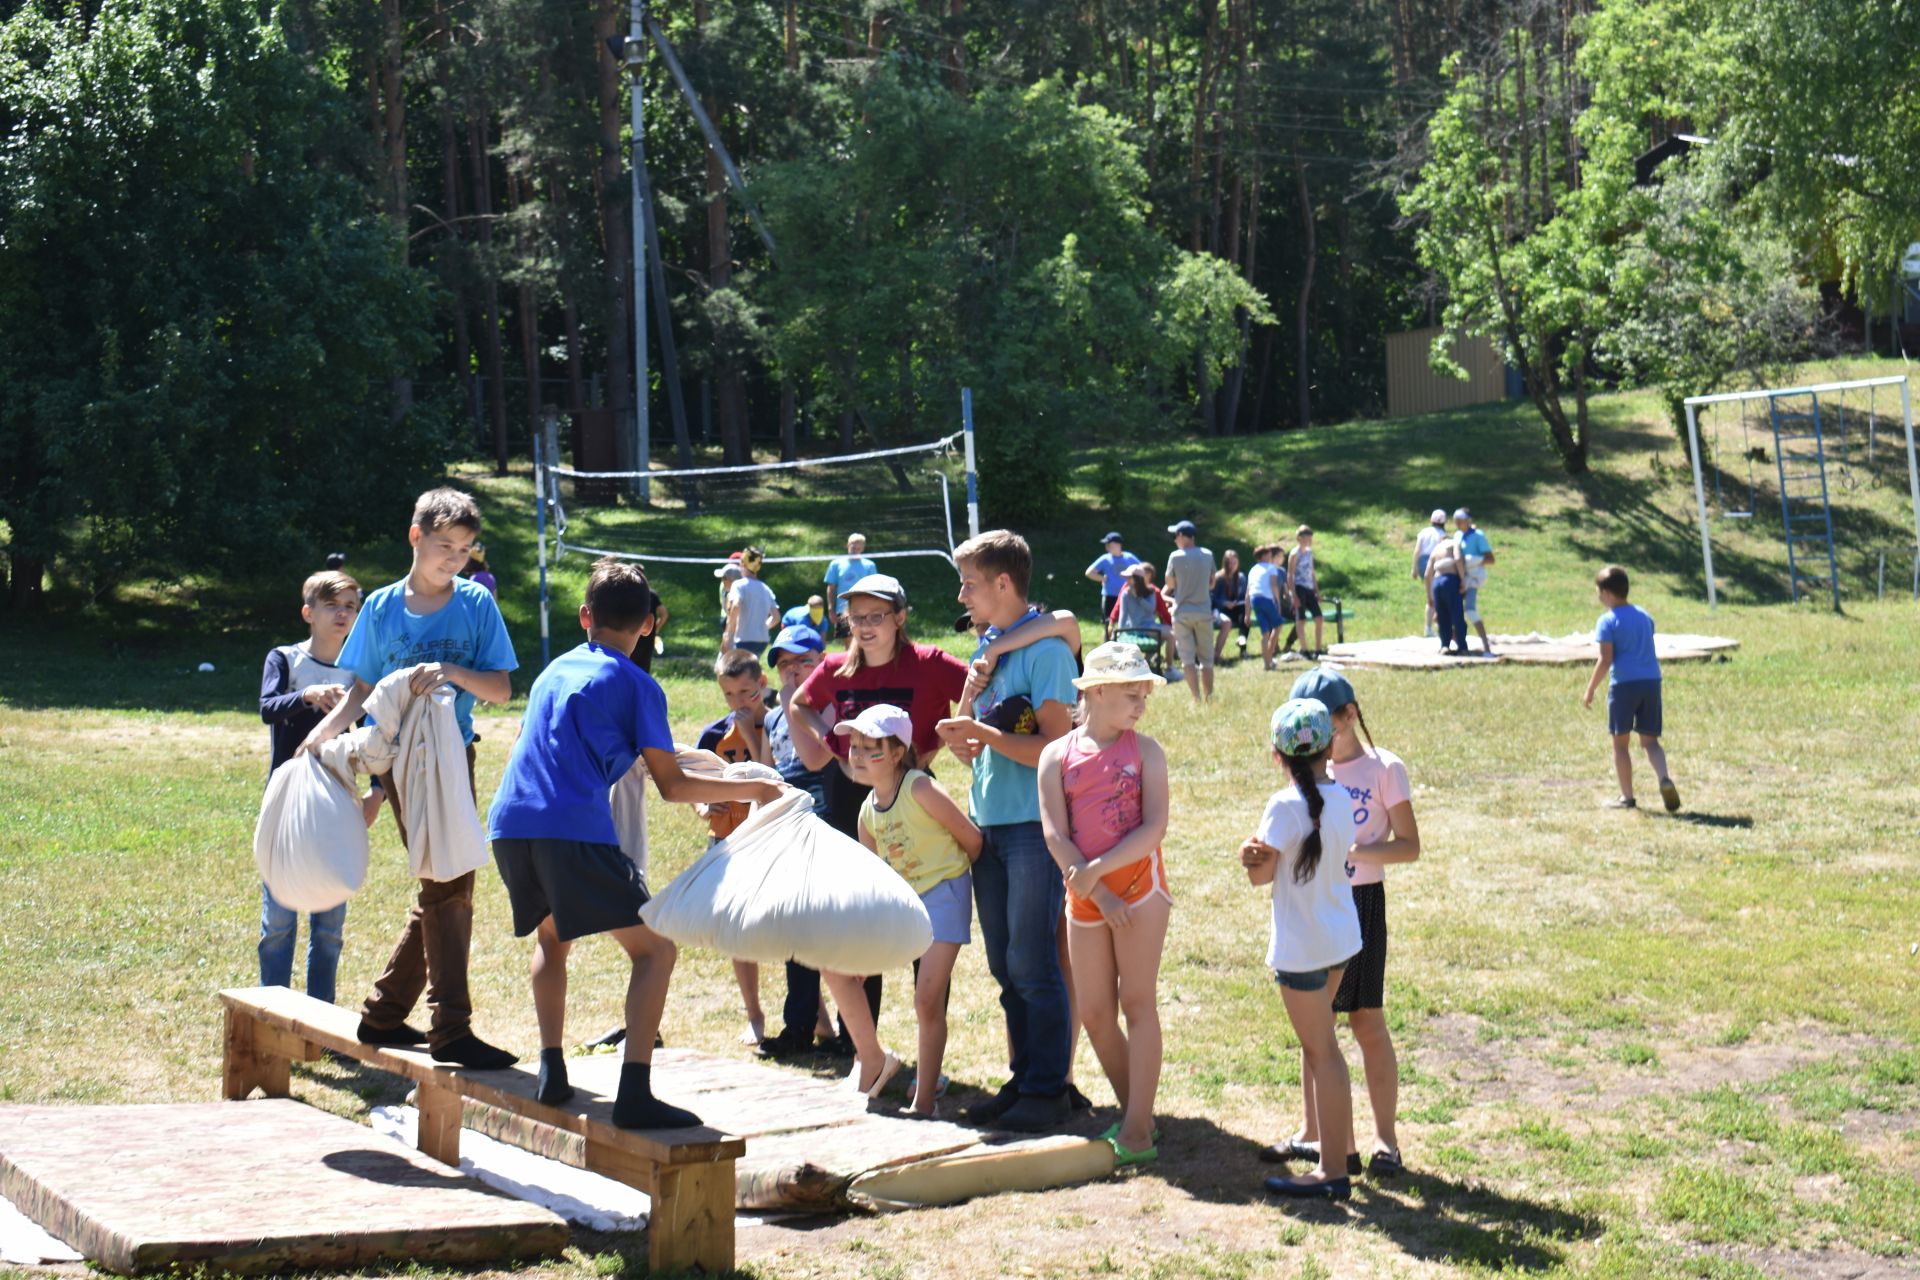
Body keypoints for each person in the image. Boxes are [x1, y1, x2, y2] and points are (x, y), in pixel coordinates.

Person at [487, 559, 783, 1128]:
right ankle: (635, 1094)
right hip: (571, 829)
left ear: (584, 617)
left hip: (509, 825)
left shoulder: (553, 671)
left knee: (552, 936)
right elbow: (672, 786)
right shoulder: (638, 683)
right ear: (649, 624)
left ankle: (551, 1070)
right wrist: (748, 783)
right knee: (655, 951)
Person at [299, 487, 519, 1069]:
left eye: (466, 549)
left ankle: (384, 1014)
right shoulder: (381, 608)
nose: (455, 558)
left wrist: (449, 670)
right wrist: (323, 736)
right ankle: (449, 1029)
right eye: (444, 545)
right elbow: (363, 690)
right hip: (397, 763)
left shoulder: (476, 605)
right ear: (415, 537)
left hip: (454, 757)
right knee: (447, 882)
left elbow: (500, 688)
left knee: (445, 883)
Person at [772, 573, 971, 1060]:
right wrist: (837, 748)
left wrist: (936, 742)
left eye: (875, 616)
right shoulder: (837, 667)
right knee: (864, 918)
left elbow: (976, 689)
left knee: (921, 916)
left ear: (900, 618)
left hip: (914, 799)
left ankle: (928, 1055)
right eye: (855, 617)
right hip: (850, 803)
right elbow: (800, 705)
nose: (863, 626)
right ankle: (862, 1047)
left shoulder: (930, 663)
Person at [937, 530, 1079, 1133]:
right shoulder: (988, 652)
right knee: (1004, 964)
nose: (962, 596)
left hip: (1031, 827)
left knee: (1032, 962)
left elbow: (1054, 746)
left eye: (970, 584)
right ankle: (1024, 1080)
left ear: (1002, 584)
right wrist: (967, 737)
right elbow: (982, 752)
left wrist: (990, 737)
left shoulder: (1045, 653)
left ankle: (1049, 1090)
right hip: (988, 823)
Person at [1263, 669, 1421, 1179]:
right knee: (1317, 1030)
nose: (1316, 734)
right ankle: (1323, 1139)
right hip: (1319, 907)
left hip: (1360, 907)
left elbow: (1409, 845)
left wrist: (1356, 850)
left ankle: (1385, 1142)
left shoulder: (1383, 768)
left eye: (1324, 722)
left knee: (1365, 1022)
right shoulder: (1310, 772)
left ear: (1349, 716)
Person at [1038, 643, 1170, 1166]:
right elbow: (1055, 833)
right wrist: (1095, 886)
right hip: (1088, 896)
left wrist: (1101, 875)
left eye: (1144, 694)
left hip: (1141, 892)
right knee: (1093, 1012)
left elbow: (1153, 827)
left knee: (1137, 1002)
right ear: (1094, 691)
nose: (1140, 703)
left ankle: (1137, 1128)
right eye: (1130, 693)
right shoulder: (1057, 756)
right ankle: (1139, 1108)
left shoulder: (1148, 752)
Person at [825, 704, 981, 1112]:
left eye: (869, 746)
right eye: (854, 745)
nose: (856, 754)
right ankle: (873, 1059)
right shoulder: (865, 813)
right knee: (835, 966)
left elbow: (971, 839)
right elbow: (874, 881)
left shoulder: (919, 788)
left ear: (897, 752)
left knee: (927, 999)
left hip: (943, 895)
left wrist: (954, 883)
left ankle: (924, 1101)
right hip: (903, 906)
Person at [1240, 697, 1361, 1201]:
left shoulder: (1284, 806)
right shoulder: (1342, 798)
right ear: (1330, 746)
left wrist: (1248, 856)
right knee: (1324, 1045)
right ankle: (1341, 1148)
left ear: (1277, 755)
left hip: (1302, 949)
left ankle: (1332, 1172)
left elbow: (1260, 876)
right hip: (1339, 942)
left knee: (1323, 1052)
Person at [258, 568, 375, 1004]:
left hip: (339, 803)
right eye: (332, 605)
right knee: (278, 924)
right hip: (287, 801)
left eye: (350, 607)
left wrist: (377, 790)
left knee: (329, 929)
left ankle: (322, 1026)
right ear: (308, 612)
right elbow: (267, 708)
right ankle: (272, 1018)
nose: (343, 614)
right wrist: (307, 696)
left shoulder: (360, 674)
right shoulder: (286, 659)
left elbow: (377, 733)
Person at [759, 626, 842, 1052]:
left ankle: (852, 1031)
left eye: (803, 663)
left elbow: (823, 755)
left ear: (822, 663)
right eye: (784, 665)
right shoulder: (772, 717)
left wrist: (798, 702)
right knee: (794, 926)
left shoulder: (829, 705)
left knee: (835, 924)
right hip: (787, 820)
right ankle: (799, 1026)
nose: (792, 673)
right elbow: (767, 772)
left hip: (827, 815)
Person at [697, 649, 774, 1045]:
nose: (738, 703)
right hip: (727, 840)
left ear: (762, 685)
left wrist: (750, 735)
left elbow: (772, 779)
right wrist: (702, 806)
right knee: (737, 931)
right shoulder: (713, 735)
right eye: (728, 695)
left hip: (769, 839)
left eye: (746, 692)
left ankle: (815, 1015)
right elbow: (693, 781)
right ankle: (754, 1015)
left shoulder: (777, 724)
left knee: (786, 927)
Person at [1583, 565, 1681, 813]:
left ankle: (1627, 797)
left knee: (1620, 744)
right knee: (1650, 741)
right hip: (1651, 682)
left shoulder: (1607, 621)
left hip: (1624, 685)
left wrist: (1591, 688)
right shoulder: (1645, 616)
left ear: (1606, 593)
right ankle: (1664, 778)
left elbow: (1605, 659)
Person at [1161, 520, 1217, 704]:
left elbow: (1169, 584)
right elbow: (1212, 582)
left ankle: (1196, 698)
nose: (1175, 539)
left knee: (1187, 659)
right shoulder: (1208, 555)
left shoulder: (1175, 557)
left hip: (1182, 613)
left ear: (1183, 536)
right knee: (1207, 659)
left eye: (1176, 535)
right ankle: (1209, 696)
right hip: (1203, 611)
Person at [1109, 564, 1172, 670]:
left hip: (1149, 626)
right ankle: (1164, 665)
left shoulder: (1151, 591)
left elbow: (1151, 609)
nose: (1126, 580)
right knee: (1170, 635)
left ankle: (1168, 667)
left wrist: (1138, 597)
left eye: (1129, 577)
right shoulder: (1125, 593)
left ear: (1137, 579)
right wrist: (1119, 632)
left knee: (1171, 633)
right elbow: (1123, 616)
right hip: (1135, 628)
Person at [1454, 508, 1497, 657]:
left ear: (1467, 521)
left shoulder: (1478, 536)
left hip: (1472, 578)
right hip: (1459, 578)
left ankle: (1486, 647)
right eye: (1456, 521)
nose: (1458, 524)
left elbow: (1491, 559)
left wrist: (1472, 561)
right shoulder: (1458, 536)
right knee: (1444, 613)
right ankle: (1459, 643)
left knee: (1470, 611)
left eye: (1460, 520)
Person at [722, 547, 779, 657]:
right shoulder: (766, 588)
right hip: (762, 640)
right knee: (752, 668)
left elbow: (736, 605)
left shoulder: (738, 585)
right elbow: (776, 617)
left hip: (744, 639)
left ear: (742, 564)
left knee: (741, 670)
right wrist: (762, 627)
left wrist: (728, 633)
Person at [1423, 528, 1470, 656]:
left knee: (1442, 616)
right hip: (1451, 580)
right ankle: (1462, 646)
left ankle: (1444, 645)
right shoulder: (1454, 543)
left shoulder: (1435, 550)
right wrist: (1462, 579)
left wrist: (1429, 596)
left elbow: (1427, 575)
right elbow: (1458, 559)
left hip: (1437, 583)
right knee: (1457, 615)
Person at [1084, 533, 1141, 639]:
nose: (1106, 547)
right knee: (1108, 621)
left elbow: (1143, 571)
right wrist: (1102, 578)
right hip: (1109, 595)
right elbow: (1089, 572)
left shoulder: (1129, 558)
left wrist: (1135, 582)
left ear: (1117, 544)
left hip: (1126, 595)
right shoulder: (1105, 559)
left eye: (1108, 544)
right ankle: (1107, 642)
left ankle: (1124, 640)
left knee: (1125, 620)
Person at [1285, 526, 1325, 659]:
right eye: (1306, 537)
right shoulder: (1294, 553)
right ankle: (1304, 648)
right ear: (1299, 538)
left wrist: (1317, 591)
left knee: (1319, 617)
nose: (1309, 540)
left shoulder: (1309, 552)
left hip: (1308, 587)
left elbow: (1312, 573)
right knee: (1301, 619)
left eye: (1310, 537)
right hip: (1299, 587)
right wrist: (1293, 595)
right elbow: (1290, 575)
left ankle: (1318, 648)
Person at [1247, 545, 1287, 671]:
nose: (1270, 556)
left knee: (1265, 633)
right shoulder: (1271, 568)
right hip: (1266, 599)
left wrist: (1247, 613)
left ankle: (1266, 663)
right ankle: (1269, 657)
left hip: (1255, 600)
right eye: (1268, 554)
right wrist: (1278, 602)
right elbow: (1274, 585)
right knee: (1278, 625)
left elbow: (1248, 592)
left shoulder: (1252, 570)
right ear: (1263, 556)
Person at [822, 533, 879, 622]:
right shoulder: (836, 564)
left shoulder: (870, 566)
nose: (855, 551)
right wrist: (831, 608)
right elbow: (831, 588)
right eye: (853, 548)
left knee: (863, 635)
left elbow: (873, 589)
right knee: (844, 636)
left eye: (858, 548)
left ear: (863, 549)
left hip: (864, 611)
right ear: (848, 545)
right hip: (842, 610)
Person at [1211, 548, 1249, 664]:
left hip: (1236, 608)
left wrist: (1238, 602)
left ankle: (1242, 643)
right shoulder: (1219, 577)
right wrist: (1225, 603)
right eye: (1230, 563)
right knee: (1231, 619)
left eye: (1235, 563)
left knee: (1245, 612)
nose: (1232, 566)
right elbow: (1212, 596)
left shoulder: (1241, 577)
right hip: (1222, 609)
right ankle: (1216, 655)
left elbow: (1244, 596)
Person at [1413, 510, 1448, 637]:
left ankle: (1429, 627)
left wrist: (1414, 568)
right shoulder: (1442, 534)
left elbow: (1417, 550)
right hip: (1435, 562)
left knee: (1430, 596)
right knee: (1437, 596)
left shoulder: (1424, 532)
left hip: (1422, 563)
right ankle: (1437, 624)